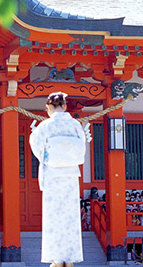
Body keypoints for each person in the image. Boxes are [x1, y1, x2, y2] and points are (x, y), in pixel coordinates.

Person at [29, 92, 86, 267]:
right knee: (70, 217)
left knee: (54, 218)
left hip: (53, 174)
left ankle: (56, 259)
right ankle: (70, 259)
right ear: (65, 106)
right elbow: (81, 149)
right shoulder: (75, 125)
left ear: (48, 107)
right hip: (70, 176)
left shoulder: (45, 126)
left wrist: (47, 158)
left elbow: (37, 147)